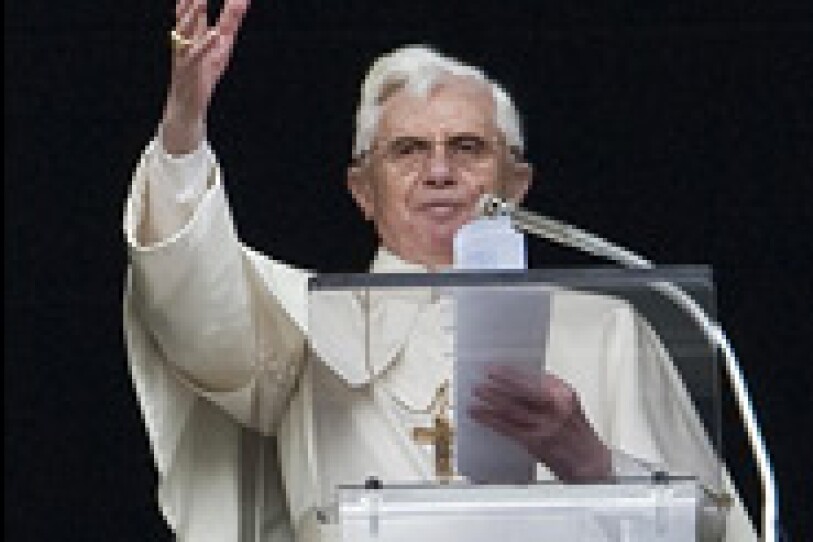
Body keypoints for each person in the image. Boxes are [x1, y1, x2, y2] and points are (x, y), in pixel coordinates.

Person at [122, 0, 758, 540]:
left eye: (468, 148)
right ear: (361, 190)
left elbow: (707, 527)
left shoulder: (610, 328)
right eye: (407, 151)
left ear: (517, 183)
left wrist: (591, 463)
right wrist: (183, 137)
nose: (439, 172)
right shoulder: (304, 325)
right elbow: (193, 311)